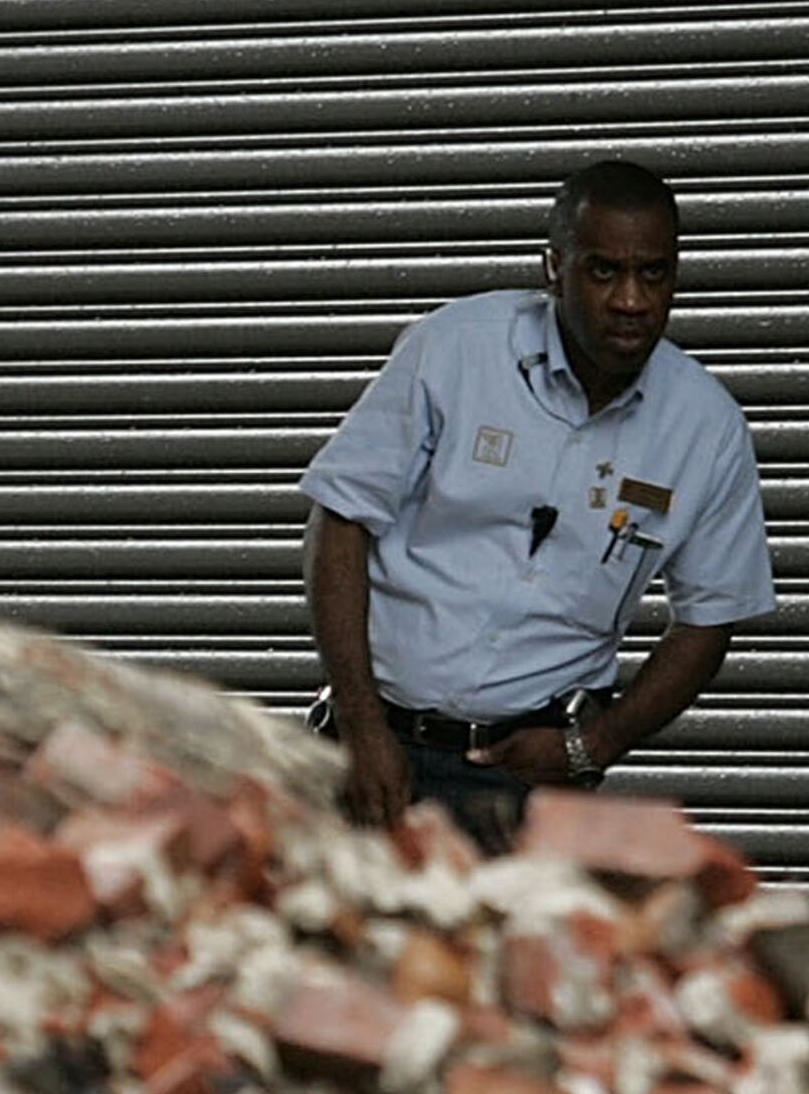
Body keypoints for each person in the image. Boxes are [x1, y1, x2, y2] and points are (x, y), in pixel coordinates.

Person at [298, 159, 774, 844]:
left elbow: (709, 620)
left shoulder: (706, 427)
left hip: (528, 783)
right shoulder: (456, 350)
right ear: (554, 267)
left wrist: (592, 746)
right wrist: (362, 726)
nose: (632, 300)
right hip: (373, 752)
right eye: (604, 270)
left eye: (655, 274)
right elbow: (339, 521)